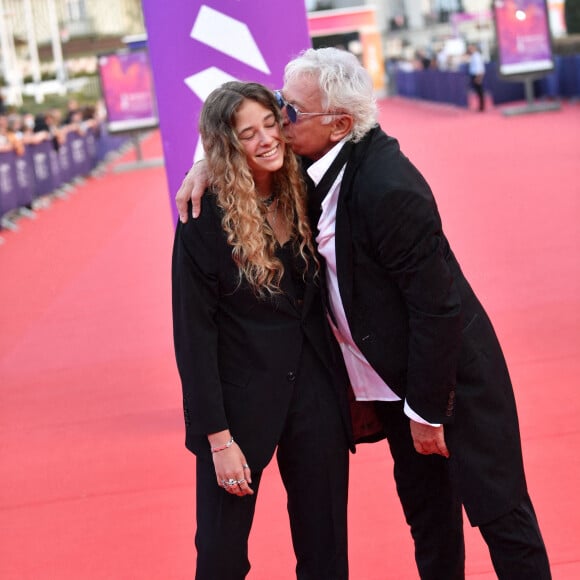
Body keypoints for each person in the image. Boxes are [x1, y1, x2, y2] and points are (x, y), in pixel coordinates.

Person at [176, 48, 552, 580]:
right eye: (281, 105)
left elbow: (437, 308)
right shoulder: (305, 163)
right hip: (393, 383)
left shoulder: (386, 185)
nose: (280, 124)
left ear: (339, 124)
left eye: (289, 112)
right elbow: (237, 126)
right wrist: (206, 164)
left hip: (450, 380)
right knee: (431, 522)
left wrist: (426, 411)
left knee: (499, 513)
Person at [172, 81, 353, 580]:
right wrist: (217, 439)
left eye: (271, 123)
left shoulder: (306, 186)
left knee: (326, 550)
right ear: (226, 147)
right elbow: (193, 335)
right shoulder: (202, 215)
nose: (267, 139)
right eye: (247, 134)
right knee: (221, 556)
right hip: (238, 409)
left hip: (315, 393)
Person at [467, 43, 486, 112]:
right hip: (474, 75)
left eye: (470, 48)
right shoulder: (473, 56)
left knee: (480, 92)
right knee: (478, 92)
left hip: (477, 75)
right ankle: (481, 106)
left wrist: (478, 77)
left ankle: (482, 107)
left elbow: (479, 68)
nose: (469, 50)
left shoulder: (476, 56)